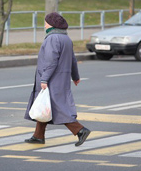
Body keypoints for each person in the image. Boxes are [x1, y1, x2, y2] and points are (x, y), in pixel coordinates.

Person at [24, 12, 91, 146]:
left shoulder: (52, 38)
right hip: (61, 79)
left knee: (57, 107)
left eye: (46, 22)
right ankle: (38, 136)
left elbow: (51, 61)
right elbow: (72, 59)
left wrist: (44, 79)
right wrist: (75, 76)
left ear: (51, 24)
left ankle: (80, 130)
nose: (44, 25)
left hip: (52, 80)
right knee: (45, 106)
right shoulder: (66, 38)